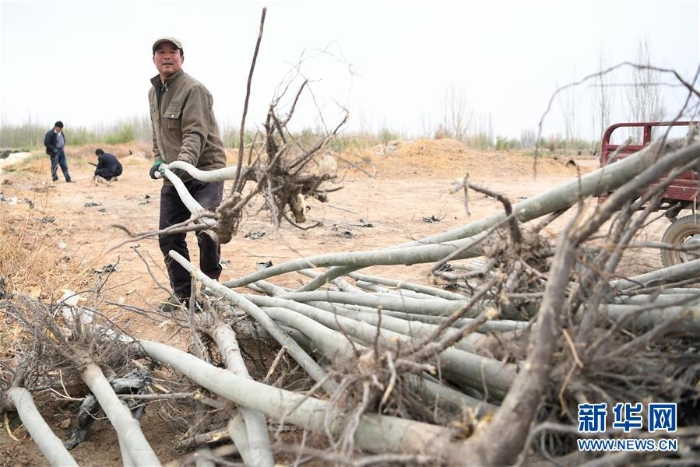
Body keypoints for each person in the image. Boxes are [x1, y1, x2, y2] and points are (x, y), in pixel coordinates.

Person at [148, 36, 227, 313]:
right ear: (154, 59)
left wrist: (182, 164)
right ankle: (184, 297)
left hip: (204, 171)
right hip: (175, 174)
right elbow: (158, 132)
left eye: (173, 52)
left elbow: (195, 133)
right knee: (169, 236)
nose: (167, 56)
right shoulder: (154, 91)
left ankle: (212, 287)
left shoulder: (194, 89)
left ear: (182, 58)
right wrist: (159, 158)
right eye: (161, 52)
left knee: (205, 230)